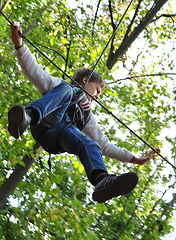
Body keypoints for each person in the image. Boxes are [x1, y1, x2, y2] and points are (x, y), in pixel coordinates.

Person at [8, 22, 159, 203]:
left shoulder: (86, 115)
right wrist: (19, 45)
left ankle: (102, 181)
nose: (96, 97)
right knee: (67, 90)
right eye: (97, 91)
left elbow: (104, 145)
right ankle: (26, 117)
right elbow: (34, 72)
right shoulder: (61, 87)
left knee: (91, 144)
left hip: (59, 139)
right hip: (45, 122)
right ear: (86, 80)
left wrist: (135, 159)